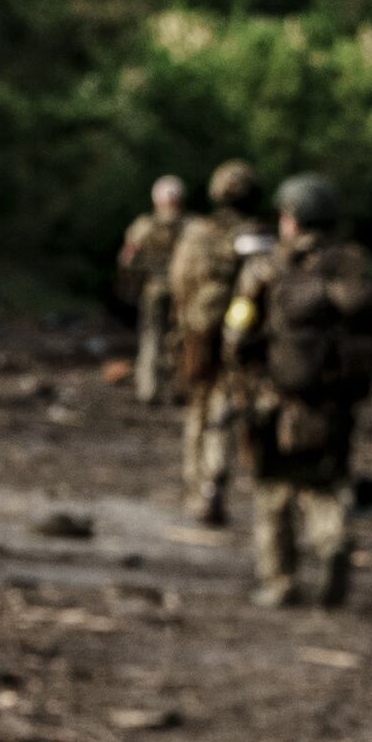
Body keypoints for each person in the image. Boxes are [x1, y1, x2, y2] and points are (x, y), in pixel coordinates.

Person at [222, 173, 372, 609]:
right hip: (336, 404)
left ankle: (280, 582)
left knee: (273, 493)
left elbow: (235, 334)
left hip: (278, 401)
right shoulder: (356, 270)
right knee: (327, 486)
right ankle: (332, 543)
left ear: (291, 219)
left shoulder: (266, 268)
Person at [167, 161, 264, 527]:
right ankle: (222, 485)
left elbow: (180, 283)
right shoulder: (261, 237)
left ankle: (202, 487)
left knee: (202, 412)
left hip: (200, 336)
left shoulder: (198, 233)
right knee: (236, 414)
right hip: (245, 341)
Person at [114, 174, 188, 405]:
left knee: (151, 338)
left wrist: (133, 283)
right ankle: (179, 388)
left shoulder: (144, 226)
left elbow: (127, 260)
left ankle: (149, 389)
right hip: (181, 291)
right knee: (179, 339)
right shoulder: (191, 226)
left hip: (153, 289)